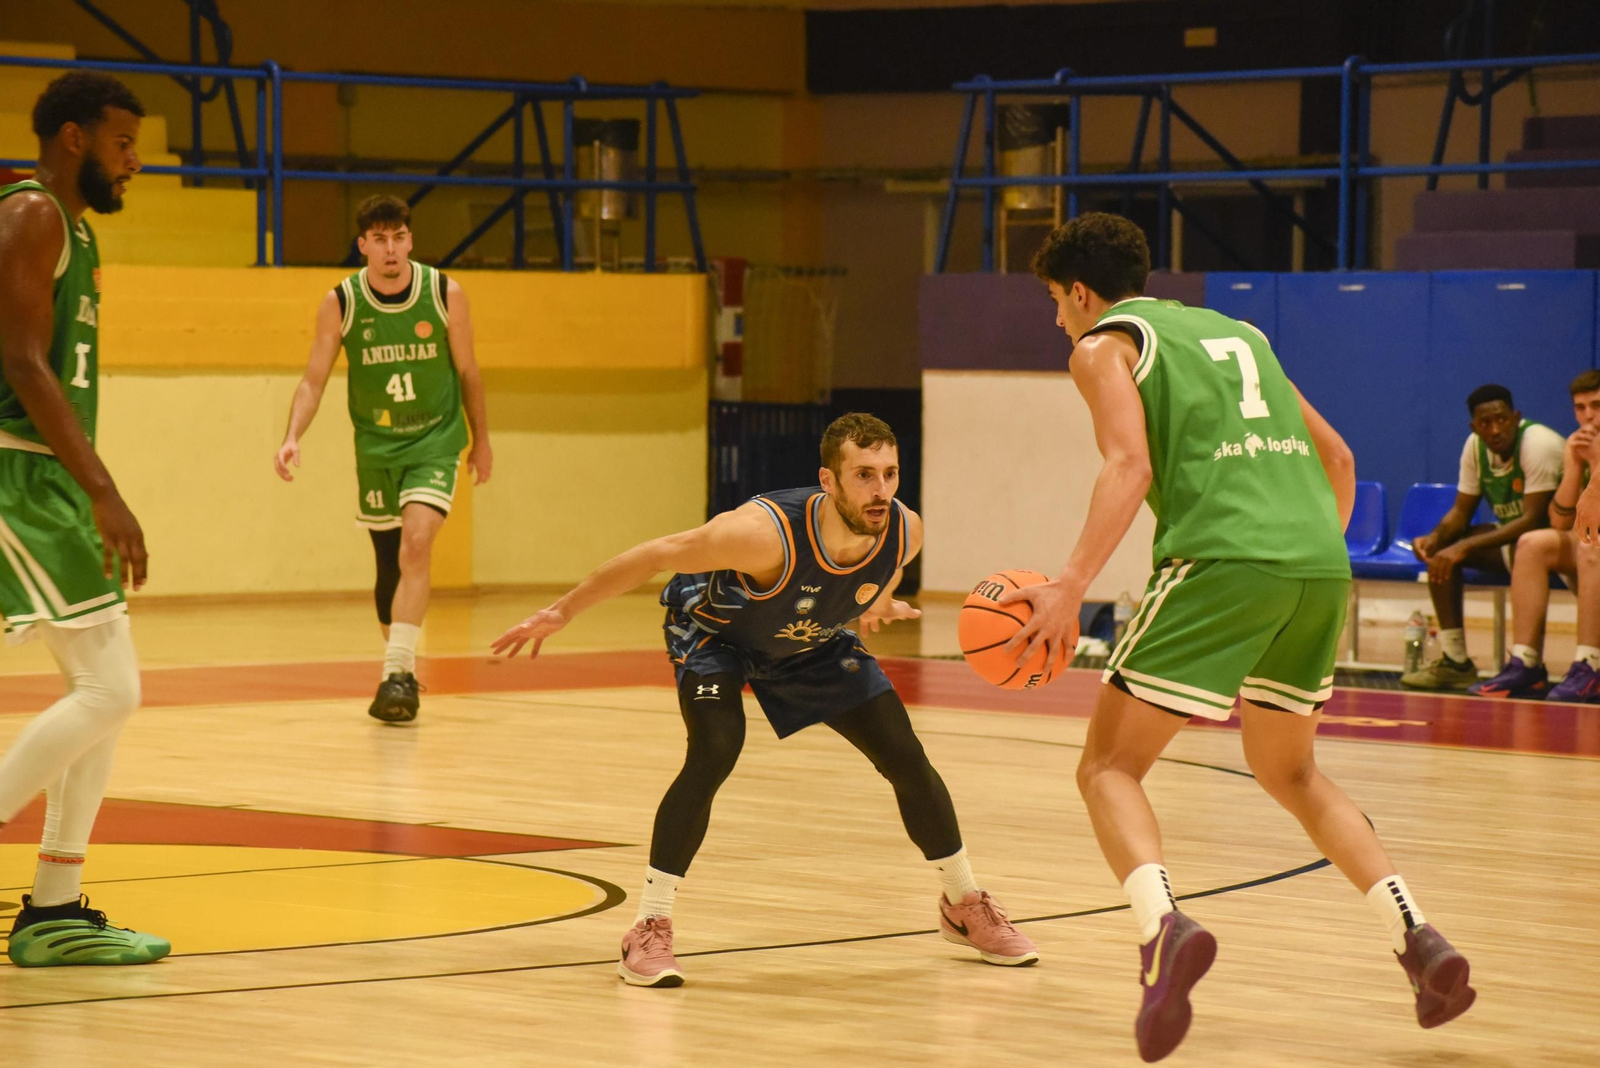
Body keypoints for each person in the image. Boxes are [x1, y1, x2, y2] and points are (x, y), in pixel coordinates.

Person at [1003, 213, 1474, 1062]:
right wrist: (1304, 561)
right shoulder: (1240, 332)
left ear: (1080, 291)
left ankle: (1162, 931)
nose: (1059, 321)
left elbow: (1129, 467)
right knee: (1290, 770)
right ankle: (1418, 937)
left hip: (1220, 560)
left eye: (1055, 303)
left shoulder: (1104, 346)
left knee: (1108, 766)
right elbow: (1337, 458)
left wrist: (1068, 586)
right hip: (1318, 566)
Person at [491, 413, 1038, 987]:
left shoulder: (904, 529)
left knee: (905, 755)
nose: (880, 491)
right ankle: (649, 927)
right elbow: (658, 553)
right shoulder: (758, 534)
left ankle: (964, 905)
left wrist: (875, 603)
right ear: (828, 481)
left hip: (808, 642)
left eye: (890, 474)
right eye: (864, 475)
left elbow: (882, 573)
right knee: (716, 748)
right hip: (716, 636)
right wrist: (562, 611)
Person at [0, 72, 169, 966]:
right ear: (74, 139)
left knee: (104, 695)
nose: (134, 161)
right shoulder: (32, 216)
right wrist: (103, 488)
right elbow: (24, 364)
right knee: (112, 689)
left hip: (46, 478)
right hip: (16, 475)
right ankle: (51, 905)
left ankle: (54, 908)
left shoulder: (76, 232)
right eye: (122, 144)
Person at [274, 195, 492, 723]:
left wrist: (481, 439)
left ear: (410, 241)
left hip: (435, 441)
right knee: (389, 565)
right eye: (380, 239)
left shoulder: (443, 292)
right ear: (364, 245)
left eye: (399, 237)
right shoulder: (342, 302)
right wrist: (292, 435)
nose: (390, 249)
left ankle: (396, 672)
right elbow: (313, 379)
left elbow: (468, 372)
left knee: (417, 544)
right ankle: (402, 665)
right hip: (375, 445)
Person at [1400, 384, 1563, 691]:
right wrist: (1435, 539)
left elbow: (1533, 520)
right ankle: (1455, 660)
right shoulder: (1474, 447)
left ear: (1516, 417)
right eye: (1485, 423)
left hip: (1555, 543)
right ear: (1474, 427)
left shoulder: (1538, 443)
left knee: (1517, 545)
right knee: (1442, 552)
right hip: (1519, 544)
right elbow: (1461, 512)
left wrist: (1464, 545)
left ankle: (1530, 663)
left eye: (1501, 419)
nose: (1495, 429)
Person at [1470, 371, 1600, 700]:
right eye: (1580, 408)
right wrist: (1574, 465)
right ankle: (1526, 664)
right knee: (1532, 543)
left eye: (1596, 406)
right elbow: (1559, 522)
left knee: (1591, 547)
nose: (1588, 416)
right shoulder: (1579, 444)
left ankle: (1590, 664)